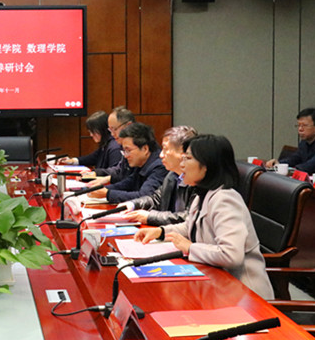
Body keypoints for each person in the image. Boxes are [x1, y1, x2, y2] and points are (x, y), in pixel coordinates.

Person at [134, 134, 274, 300]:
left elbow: (231, 255)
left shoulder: (225, 199)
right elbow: (190, 226)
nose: (182, 164)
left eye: (188, 159)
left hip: (245, 295)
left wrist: (190, 248)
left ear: (207, 165)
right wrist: (161, 232)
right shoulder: (204, 194)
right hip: (216, 283)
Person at [122, 126, 197, 225]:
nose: (161, 155)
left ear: (183, 152)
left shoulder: (197, 180)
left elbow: (188, 217)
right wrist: (132, 204)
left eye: (165, 149)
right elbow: (155, 199)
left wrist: (150, 217)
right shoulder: (172, 176)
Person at [92, 122, 167, 203]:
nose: (125, 156)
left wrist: (108, 194)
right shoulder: (141, 163)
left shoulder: (160, 167)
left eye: (128, 150)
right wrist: (103, 189)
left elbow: (144, 196)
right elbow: (129, 183)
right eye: (124, 151)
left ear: (145, 149)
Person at [82, 106, 136, 183]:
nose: (112, 134)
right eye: (110, 130)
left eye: (114, 129)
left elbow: (128, 182)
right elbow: (118, 170)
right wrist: (96, 173)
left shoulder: (116, 147)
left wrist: (108, 189)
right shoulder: (121, 145)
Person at [267, 107, 315, 174]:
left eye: (304, 125)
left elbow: (309, 166)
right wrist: (279, 163)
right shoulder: (304, 142)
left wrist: (291, 171)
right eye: (298, 125)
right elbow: (295, 159)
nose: (300, 129)